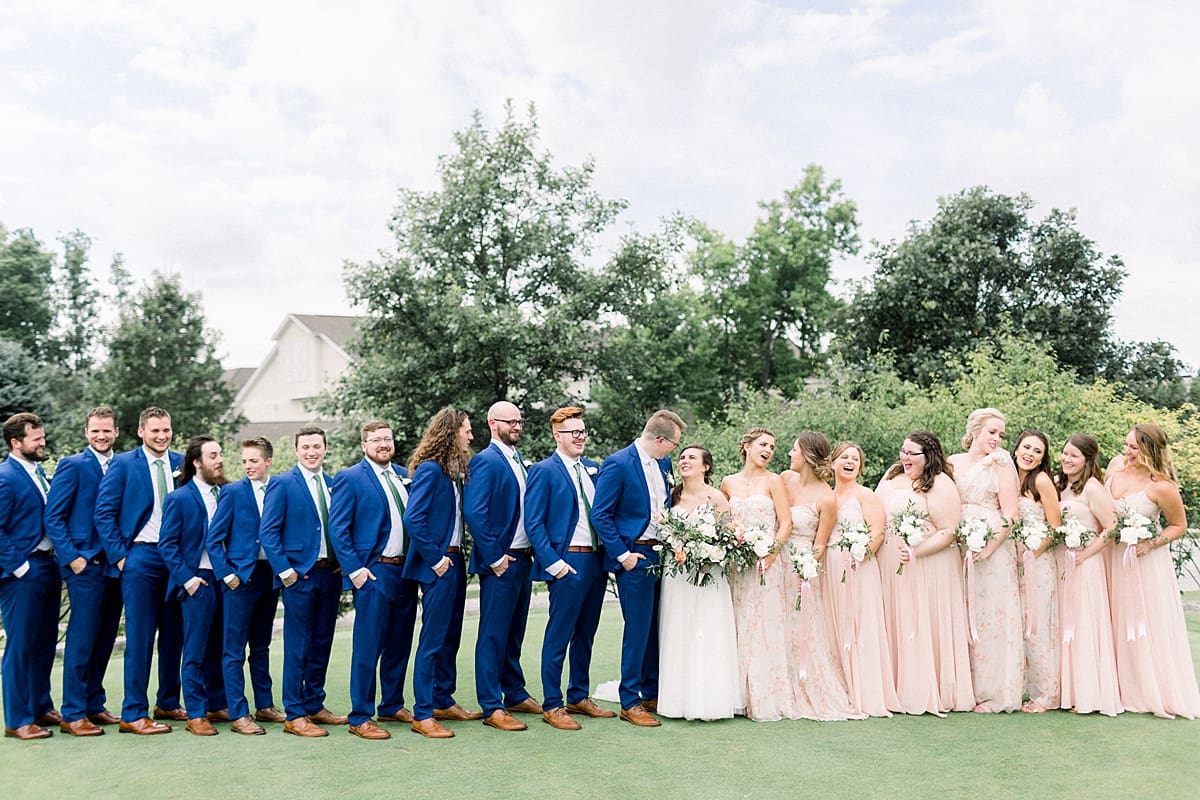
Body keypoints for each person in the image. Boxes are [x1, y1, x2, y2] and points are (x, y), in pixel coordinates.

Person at [95, 405, 185, 734]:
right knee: (140, 636)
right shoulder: (122, 464)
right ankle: (133, 712)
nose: (162, 436)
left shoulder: (181, 462)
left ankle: (168, 702)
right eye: (155, 430)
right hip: (140, 557)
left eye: (166, 430)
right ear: (141, 431)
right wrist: (122, 558)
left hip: (176, 558)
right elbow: (104, 513)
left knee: (174, 634)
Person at [592, 409, 685, 727]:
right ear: (660, 439)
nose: (674, 450)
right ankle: (629, 701)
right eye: (674, 444)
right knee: (637, 628)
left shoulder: (663, 464)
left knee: (656, 627)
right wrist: (623, 555)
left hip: (663, 555)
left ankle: (651, 692)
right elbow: (600, 514)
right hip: (635, 556)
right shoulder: (618, 463)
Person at [524, 407, 614, 731]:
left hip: (596, 561)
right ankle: (552, 703)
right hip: (567, 562)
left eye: (582, 431)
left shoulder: (593, 469)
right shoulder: (544, 470)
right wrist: (554, 563)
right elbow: (533, 522)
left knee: (586, 633)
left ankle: (578, 695)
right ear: (557, 435)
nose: (579, 437)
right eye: (573, 432)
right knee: (559, 633)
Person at [328, 421, 419, 740]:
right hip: (374, 572)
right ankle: (360, 716)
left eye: (387, 439)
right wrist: (355, 570)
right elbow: (338, 528)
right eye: (376, 439)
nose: (383, 444)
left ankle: (392, 705)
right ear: (364, 445)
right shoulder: (350, 477)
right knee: (368, 646)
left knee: (400, 642)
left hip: (405, 572)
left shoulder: (405, 475)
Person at [1104, 423, 1200, 718]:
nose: (1127, 451)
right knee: (1114, 618)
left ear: (1150, 450)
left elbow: (1179, 525)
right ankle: (1114, 686)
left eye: (1134, 447)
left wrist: (1151, 543)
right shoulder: (1114, 467)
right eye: (1126, 444)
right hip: (1112, 557)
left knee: (1143, 621)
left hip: (1144, 564)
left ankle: (1146, 689)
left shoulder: (1161, 486)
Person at [258, 426, 348, 737]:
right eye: (306, 447)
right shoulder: (282, 483)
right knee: (298, 646)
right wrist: (286, 572)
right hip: (299, 577)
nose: (311, 452)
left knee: (322, 642)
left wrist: (342, 562)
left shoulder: (333, 483)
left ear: (325, 449)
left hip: (330, 574)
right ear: (296, 450)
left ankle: (314, 704)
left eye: (317, 446)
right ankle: (294, 714)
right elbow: (268, 531)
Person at [876, 430, 973, 715]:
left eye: (912, 453)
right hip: (890, 561)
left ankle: (924, 689)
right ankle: (895, 687)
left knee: (920, 620)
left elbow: (949, 530)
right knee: (896, 618)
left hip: (929, 565)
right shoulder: (893, 474)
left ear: (928, 456)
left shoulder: (940, 483)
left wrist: (917, 552)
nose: (904, 457)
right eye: (903, 451)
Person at [43, 406, 123, 736]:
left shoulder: (124, 465)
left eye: (106, 430)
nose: (101, 436)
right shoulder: (73, 465)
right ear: (86, 432)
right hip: (84, 566)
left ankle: (94, 704)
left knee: (105, 637)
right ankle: (73, 713)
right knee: (82, 638)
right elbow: (53, 517)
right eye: (95, 431)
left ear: (116, 432)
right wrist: (72, 558)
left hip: (115, 566)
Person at [464, 401, 542, 732]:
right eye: (511, 422)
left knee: (514, 632)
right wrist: (495, 558)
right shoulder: (485, 460)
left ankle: (515, 692)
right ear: (493, 424)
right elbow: (475, 512)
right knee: (493, 635)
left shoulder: (518, 460)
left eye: (520, 421)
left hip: (523, 558)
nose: (517, 426)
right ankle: (491, 704)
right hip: (501, 561)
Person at [403, 407, 480, 738]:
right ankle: (423, 714)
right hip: (439, 564)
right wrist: (435, 559)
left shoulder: (451, 473)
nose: (471, 436)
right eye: (466, 430)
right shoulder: (430, 471)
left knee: (451, 636)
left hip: (455, 561)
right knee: (432, 640)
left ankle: (442, 700)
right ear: (451, 433)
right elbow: (413, 518)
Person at [779, 432, 862, 720]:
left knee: (800, 626)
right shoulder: (784, 480)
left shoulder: (827, 497)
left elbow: (820, 544)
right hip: (775, 561)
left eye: (794, 450)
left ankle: (802, 686)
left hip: (801, 567)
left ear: (806, 455)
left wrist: (806, 568)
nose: (790, 454)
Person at [206, 437, 286, 735]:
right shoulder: (232, 492)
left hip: (269, 576)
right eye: (244, 461)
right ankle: (239, 713)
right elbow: (214, 539)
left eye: (254, 460)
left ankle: (264, 705)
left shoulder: (280, 489)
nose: (248, 466)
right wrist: (227, 575)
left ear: (268, 462)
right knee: (234, 649)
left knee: (261, 645)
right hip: (240, 579)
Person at [656, 444, 741, 721]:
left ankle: (712, 699)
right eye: (682, 457)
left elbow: (728, 538)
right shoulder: (671, 496)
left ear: (706, 466)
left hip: (709, 573)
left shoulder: (716, 497)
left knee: (708, 628)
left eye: (691, 457)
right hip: (677, 574)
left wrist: (709, 555)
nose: (684, 461)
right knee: (678, 627)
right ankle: (676, 699)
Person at [948, 408, 1023, 713]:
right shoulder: (953, 462)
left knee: (991, 615)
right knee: (961, 611)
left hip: (992, 551)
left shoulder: (1001, 464)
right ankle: (961, 688)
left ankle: (993, 692)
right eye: (992, 432)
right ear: (975, 430)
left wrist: (990, 548)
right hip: (957, 548)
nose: (997, 439)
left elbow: (1011, 515)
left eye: (1001, 435)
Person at [157, 435, 229, 736]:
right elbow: (167, 544)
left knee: (219, 646)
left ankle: (217, 703)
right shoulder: (180, 498)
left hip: (225, 579)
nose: (220, 460)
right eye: (213, 455)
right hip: (197, 579)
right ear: (197, 462)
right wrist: (187, 580)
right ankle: (196, 713)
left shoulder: (227, 493)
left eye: (220, 454)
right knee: (195, 649)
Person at [721, 427, 794, 721]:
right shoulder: (728, 482)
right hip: (737, 565)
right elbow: (722, 519)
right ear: (747, 446)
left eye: (773, 447)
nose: (769, 450)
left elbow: (786, 522)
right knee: (738, 621)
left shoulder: (774, 481)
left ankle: (764, 695)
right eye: (764, 444)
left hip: (767, 565)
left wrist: (771, 554)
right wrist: (733, 537)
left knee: (764, 625)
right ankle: (735, 695)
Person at [825, 441, 902, 717]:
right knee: (833, 626)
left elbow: (877, 533)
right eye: (844, 457)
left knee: (861, 625)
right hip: (829, 568)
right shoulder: (826, 496)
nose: (849, 462)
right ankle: (841, 690)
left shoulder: (866, 495)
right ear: (832, 463)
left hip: (859, 568)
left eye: (855, 459)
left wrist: (860, 555)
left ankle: (866, 693)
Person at [0, 413, 60, 740]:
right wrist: (19, 567)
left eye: (42, 437)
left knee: (45, 643)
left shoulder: (38, 473)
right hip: (23, 572)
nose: (42, 443)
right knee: (21, 646)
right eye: (36, 439)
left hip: (48, 566)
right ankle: (17, 719)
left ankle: (40, 706)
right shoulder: (5, 476)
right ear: (15, 442)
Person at [1055, 434, 1121, 716]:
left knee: (1083, 623)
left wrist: (1085, 554)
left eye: (1074, 456)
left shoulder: (1092, 488)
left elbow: (1111, 527)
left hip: (1085, 563)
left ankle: (1089, 693)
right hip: (1063, 561)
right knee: (1064, 623)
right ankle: (1066, 691)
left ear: (1087, 460)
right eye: (1065, 453)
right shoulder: (1060, 485)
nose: (1067, 459)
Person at [1011, 430, 1062, 713]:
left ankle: (1047, 695)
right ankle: (1018, 687)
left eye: (1037, 451)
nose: (1029, 454)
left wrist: (1032, 555)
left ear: (1042, 458)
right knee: (1017, 625)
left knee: (1037, 626)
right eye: (1026, 447)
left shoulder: (1041, 481)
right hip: (1011, 564)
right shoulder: (1007, 478)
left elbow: (1055, 528)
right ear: (1016, 449)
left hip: (1036, 564)